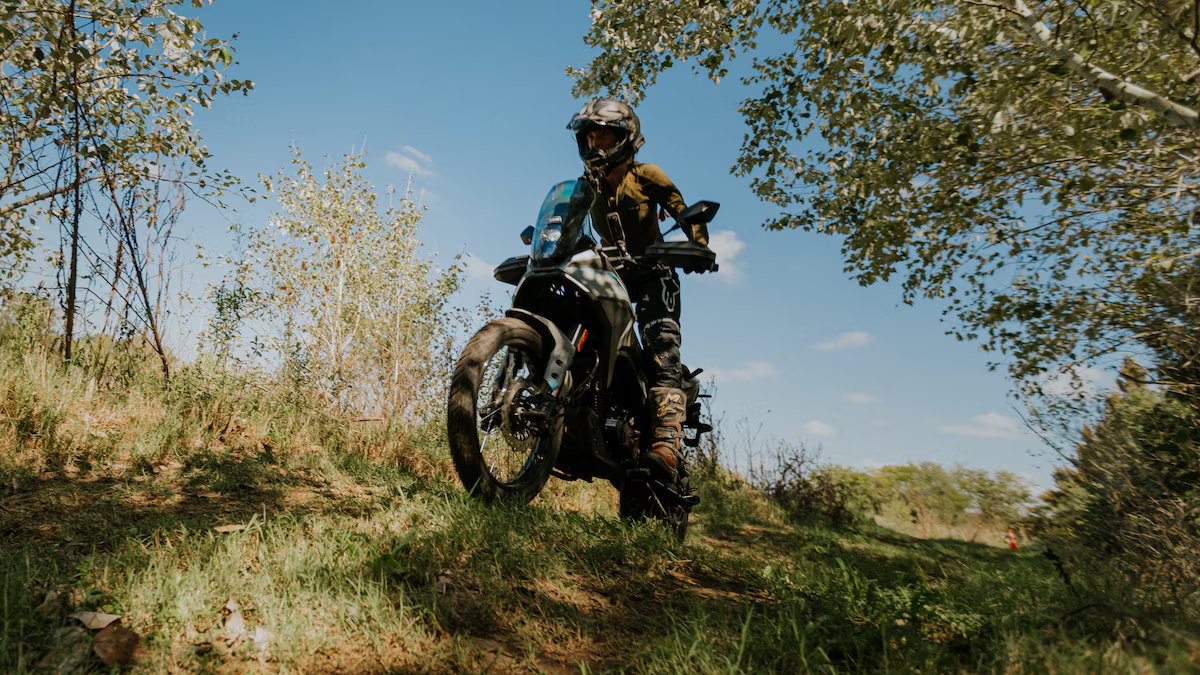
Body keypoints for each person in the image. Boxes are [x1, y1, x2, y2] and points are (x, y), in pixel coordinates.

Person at [567, 98, 710, 482]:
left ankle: (666, 442)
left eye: (605, 136)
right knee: (580, 331)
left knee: (662, 343)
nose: (596, 144)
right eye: (591, 136)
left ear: (625, 138)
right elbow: (568, 222)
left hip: (652, 271)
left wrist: (698, 244)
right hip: (608, 273)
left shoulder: (647, 174)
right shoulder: (586, 186)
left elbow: (682, 209)